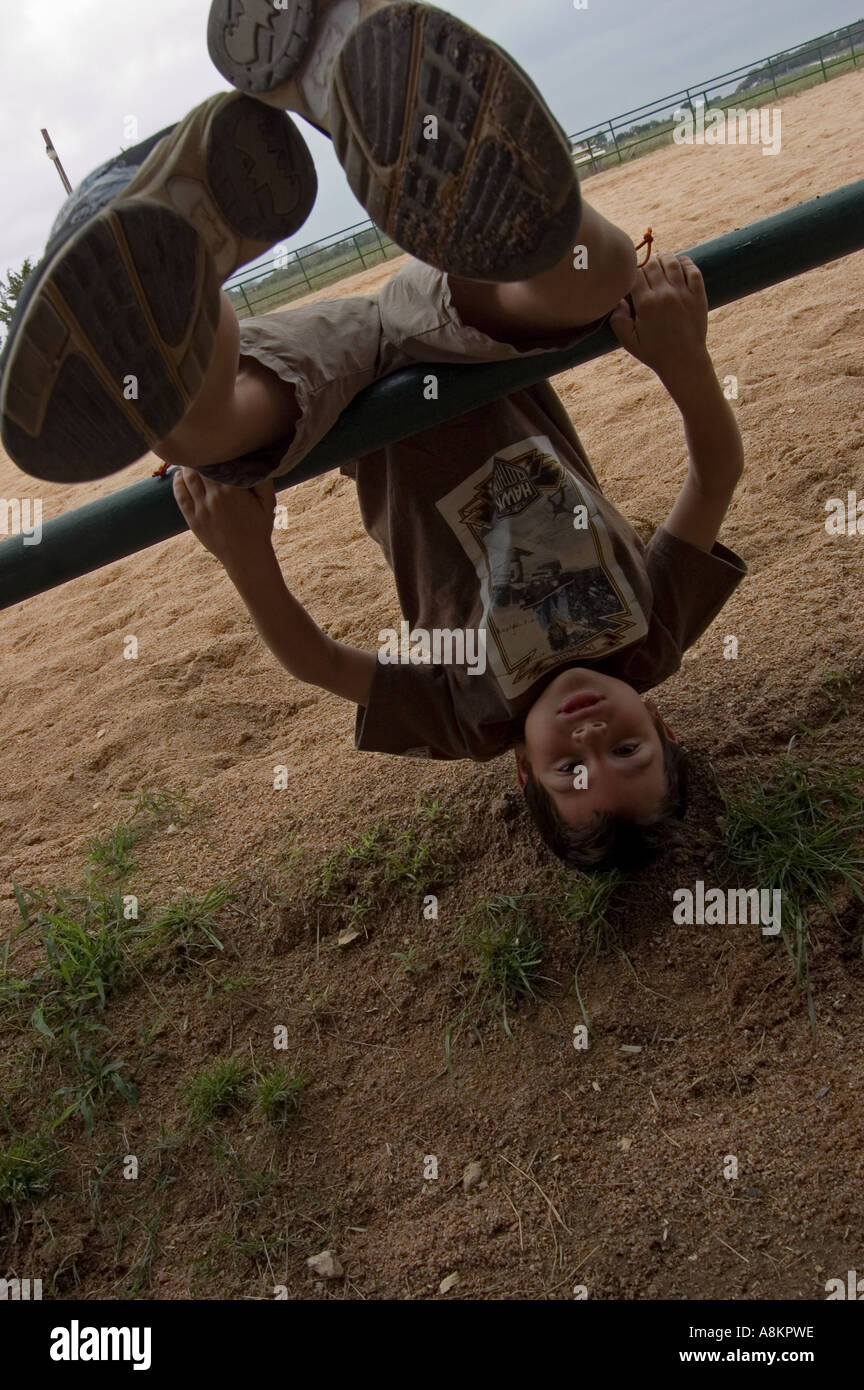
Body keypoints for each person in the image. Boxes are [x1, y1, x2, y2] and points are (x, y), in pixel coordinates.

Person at [0, 0, 746, 870]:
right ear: (657, 722)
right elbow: (718, 475)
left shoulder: (469, 718)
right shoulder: (654, 635)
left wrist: (249, 555)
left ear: (522, 774)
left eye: (569, 772)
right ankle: (330, 71)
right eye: (628, 753)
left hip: (356, 408)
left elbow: (319, 663)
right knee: (600, 271)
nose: (591, 739)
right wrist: (681, 360)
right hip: (464, 352)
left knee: (212, 433)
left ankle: (170, 266)